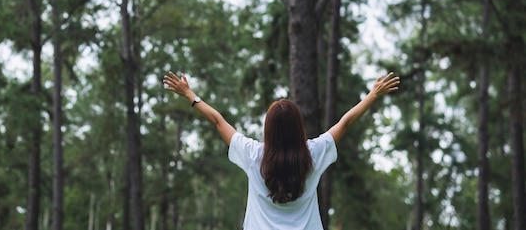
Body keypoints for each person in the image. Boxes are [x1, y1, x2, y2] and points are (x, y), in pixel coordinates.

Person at [162, 71, 400, 230]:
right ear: (298, 127)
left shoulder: (253, 154)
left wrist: (190, 96)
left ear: (268, 129)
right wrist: (372, 95)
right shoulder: (313, 154)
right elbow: (345, 123)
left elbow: (218, 122)